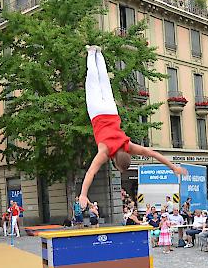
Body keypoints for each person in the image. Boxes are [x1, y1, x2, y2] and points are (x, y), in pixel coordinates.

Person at [78, 47, 186, 209]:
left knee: (105, 84)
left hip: (111, 111)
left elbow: (153, 153)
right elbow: (90, 172)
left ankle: (98, 53)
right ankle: (91, 53)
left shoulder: (128, 146)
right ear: (114, 161)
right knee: (92, 83)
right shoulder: (104, 151)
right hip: (97, 113)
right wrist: (83, 194)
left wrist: (173, 167)